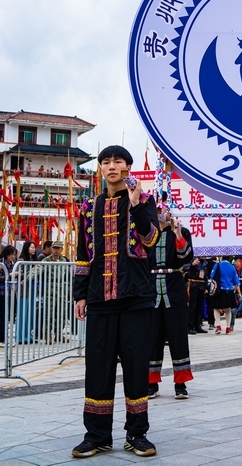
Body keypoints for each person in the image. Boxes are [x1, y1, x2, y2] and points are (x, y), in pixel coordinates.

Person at [72, 145, 160, 458]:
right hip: (99, 298)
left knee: (136, 367)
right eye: (106, 162)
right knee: (97, 368)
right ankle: (97, 435)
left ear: (128, 167)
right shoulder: (88, 207)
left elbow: (150, 241)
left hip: (136, 297)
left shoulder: (145, 200)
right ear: (99, 169)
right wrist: (80, 294)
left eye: (118, 161)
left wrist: (135, 206)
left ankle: (137, 434)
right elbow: (84, 254)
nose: (112, 166)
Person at [147, 205, 194, 401]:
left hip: (173, 287)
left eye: (164, 210)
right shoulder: (145, 233)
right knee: (151, 338)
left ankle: (180, 383)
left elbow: (186, 258)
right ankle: (151, 382)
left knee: (178, 336)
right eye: (157, 210)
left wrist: (176, 234)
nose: (161, 214)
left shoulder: (181, 232)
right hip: (150, 290)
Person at [42, 241, 71, 344]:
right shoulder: (47, 260)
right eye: (54, 248)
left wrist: (75, 289)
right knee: (48, 314)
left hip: (61, 290)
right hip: (50, 290)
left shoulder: (64, 261)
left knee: (62, 314)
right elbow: (36, 270)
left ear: (61, 249)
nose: (56, 250)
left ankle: (59, 334)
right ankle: (47, 335)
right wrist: (26, 279)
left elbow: (71, 275)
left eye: (58, 248)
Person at [15, 241, 39, 344]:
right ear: (26, 248)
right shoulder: (21, 261)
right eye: (31, 247)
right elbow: (18, 274)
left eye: (34, 247)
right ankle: (20, 336)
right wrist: (32, 271)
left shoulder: (34, 260)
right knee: (22, 313)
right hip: (22, 291)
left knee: (30, 313)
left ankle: (28, 335)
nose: (33, 249)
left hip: (32, 290)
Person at [211, 256, 241, 336]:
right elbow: (236, 281)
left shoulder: (217, 265)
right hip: (230, 290)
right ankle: (228, 328)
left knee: (216, 308)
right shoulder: (232, 267)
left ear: (221, 257)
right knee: (228, 309)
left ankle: (218, 326)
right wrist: (239, 293)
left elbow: (212, 276)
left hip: (219, 290)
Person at [0, 244, 17, 346]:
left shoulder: (12, 263)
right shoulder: (2, 263)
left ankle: (1, 338)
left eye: (14, 255)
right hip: (1, 292)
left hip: (9, 292)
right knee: (3, 316)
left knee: (4, 315)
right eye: (11, 254)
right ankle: (1, 339)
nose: (13, 257)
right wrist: (9, 275)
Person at [186, 257, 208, 335]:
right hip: (193, 285)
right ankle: (190, 327)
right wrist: (192, 264)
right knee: (192, 307)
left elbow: (205, 276)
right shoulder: (192, 259)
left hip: (201, 285)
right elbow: (185, 268)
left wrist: (206, 287)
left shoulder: (205, 263)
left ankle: (197, 325)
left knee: (199, 307)